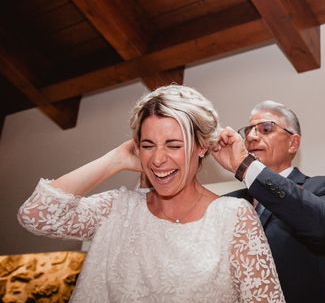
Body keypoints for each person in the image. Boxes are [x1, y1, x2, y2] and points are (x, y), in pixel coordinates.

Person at [17, 85, 284, 303]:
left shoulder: (234, 217)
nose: (157, 159)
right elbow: (36, 215)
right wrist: (115, 160)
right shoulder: (117, 208)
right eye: (147, 145)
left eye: (173, 145)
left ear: (202, 147)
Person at [213, 100, 325, 303]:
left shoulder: (323, 188)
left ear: (293, 143)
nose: (250, 137)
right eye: (248, 131)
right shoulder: (228, 203)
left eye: (265, 129)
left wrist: (246, 167)